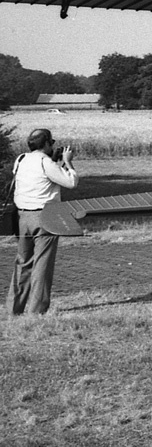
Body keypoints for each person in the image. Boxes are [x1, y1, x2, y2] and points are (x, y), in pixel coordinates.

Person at [9, 128, 80, 316]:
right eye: (52, 142)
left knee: (23, 262)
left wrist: (55, 162)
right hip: (45, 216)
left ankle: (13, 308)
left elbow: (39, 179)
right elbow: (71, 182)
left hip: (22, 216)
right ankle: (36, 311)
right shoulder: (46, 162)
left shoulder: (21, 159)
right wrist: (67, 162)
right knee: (42, 264)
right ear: (47, 144)